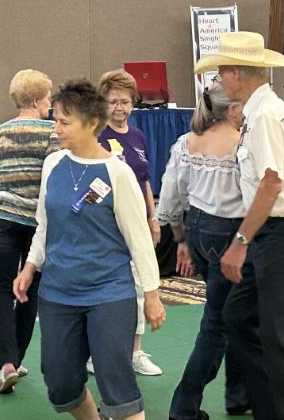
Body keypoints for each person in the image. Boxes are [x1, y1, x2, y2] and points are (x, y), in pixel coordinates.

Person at [12, 78, 164, 420]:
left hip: (109, 292)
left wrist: (152, 294)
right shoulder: (53, 164)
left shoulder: (118, 173)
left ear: (92, 124)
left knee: (116, 381)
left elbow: (139, 239)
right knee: (60, 383)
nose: (56, 129)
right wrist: (30, 266)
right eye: (55, 120)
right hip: (57, 292)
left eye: (65, 122)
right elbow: (44, 225)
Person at [198, 31, 284, 420]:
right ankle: (270, 409)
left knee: (279, 337)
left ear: (236, 73)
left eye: (222, 71)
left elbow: (271, 183)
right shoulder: (257, 113)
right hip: (272, 233)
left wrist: (240, 242)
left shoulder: (266, 115)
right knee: (239, 317)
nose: (219, 79)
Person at [157, 80, 250, 420]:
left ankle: (239, 393)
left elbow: (170, 196)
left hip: (197, 228)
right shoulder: (242, 145)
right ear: (233, 109)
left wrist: (181, 239)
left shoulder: (186, 142)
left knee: (231, 314)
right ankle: (184, 405)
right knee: (219, 322)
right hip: (230, 232)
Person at [0, 69, 58, 394]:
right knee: (30, 288)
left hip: (3, 216)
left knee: (3, 289)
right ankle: (16, 359)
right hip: (37, 221)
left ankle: (6, 363)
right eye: (48, 98)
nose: (50, 104)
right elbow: (54, 174)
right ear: (36, 99)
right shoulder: (51, 131)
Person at [96, 69, 162, 377]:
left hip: (136, 224)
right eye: (113, 102)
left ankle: (136, 351)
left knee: (138, 285)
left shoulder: (138, 136)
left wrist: (153, 217)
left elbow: (145, 180)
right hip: (106, 225)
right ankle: (95, 353)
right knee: (103, 288)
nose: (119, 108)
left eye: (124, 101)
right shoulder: (97, 137)